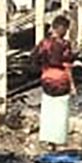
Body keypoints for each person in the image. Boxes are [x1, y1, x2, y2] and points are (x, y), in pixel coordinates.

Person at [33, 15, 77, 149]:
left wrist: (44, 68)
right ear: (62, 28)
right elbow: (67, 65)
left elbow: (34, 57)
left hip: (47, 79)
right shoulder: (64, 44)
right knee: (60, 111)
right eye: (66, 28)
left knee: (48, 109)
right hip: (61, 80)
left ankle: (47, 141)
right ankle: (59, 141)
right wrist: (73, 85)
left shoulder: (44, 43)